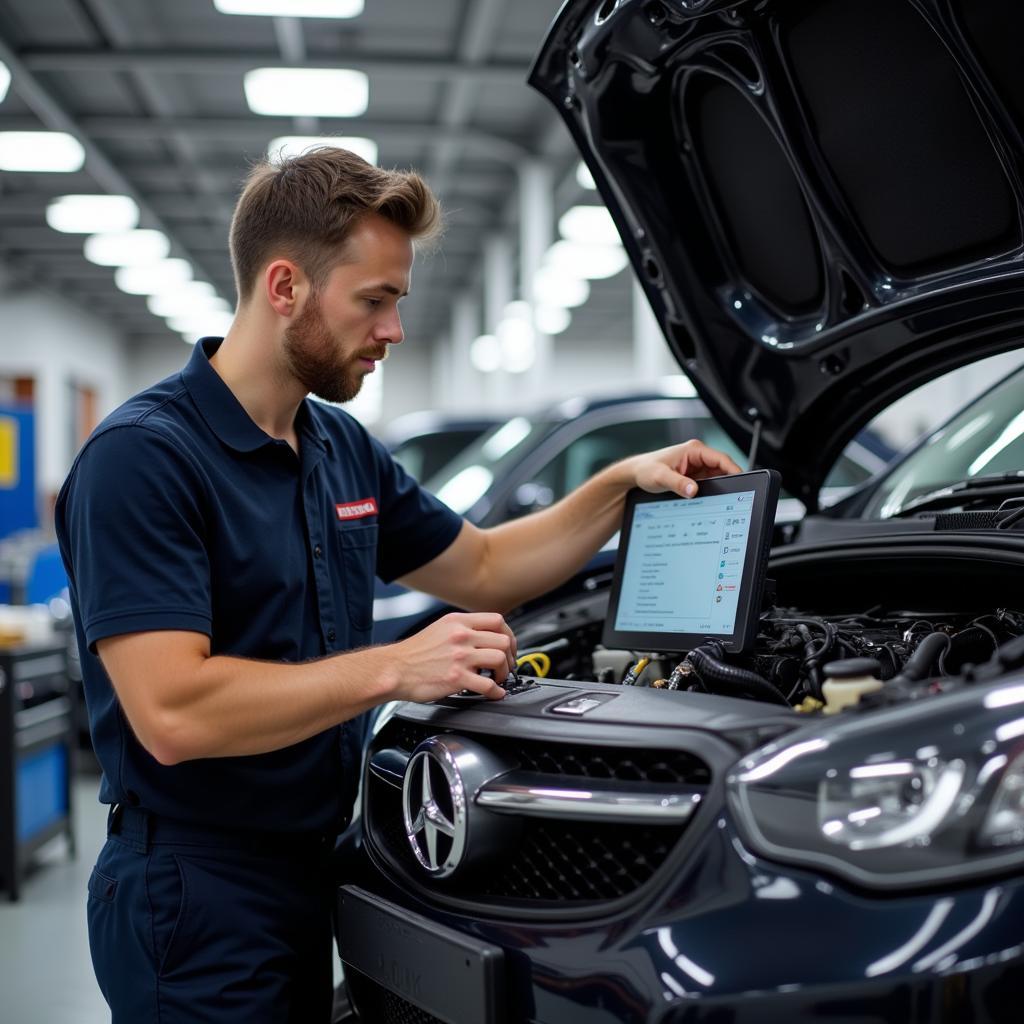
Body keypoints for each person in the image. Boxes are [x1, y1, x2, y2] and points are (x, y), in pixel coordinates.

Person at [55, 147, 741, 1023]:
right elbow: (173, 714)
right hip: (194, 890)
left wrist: (619, 488)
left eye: (398, 302)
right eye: (373, 300)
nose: (393, 331)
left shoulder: (338, 448)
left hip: (317, 865)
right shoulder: (145, 459)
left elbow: (486, 564)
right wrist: (394, 668)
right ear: (284, 287)